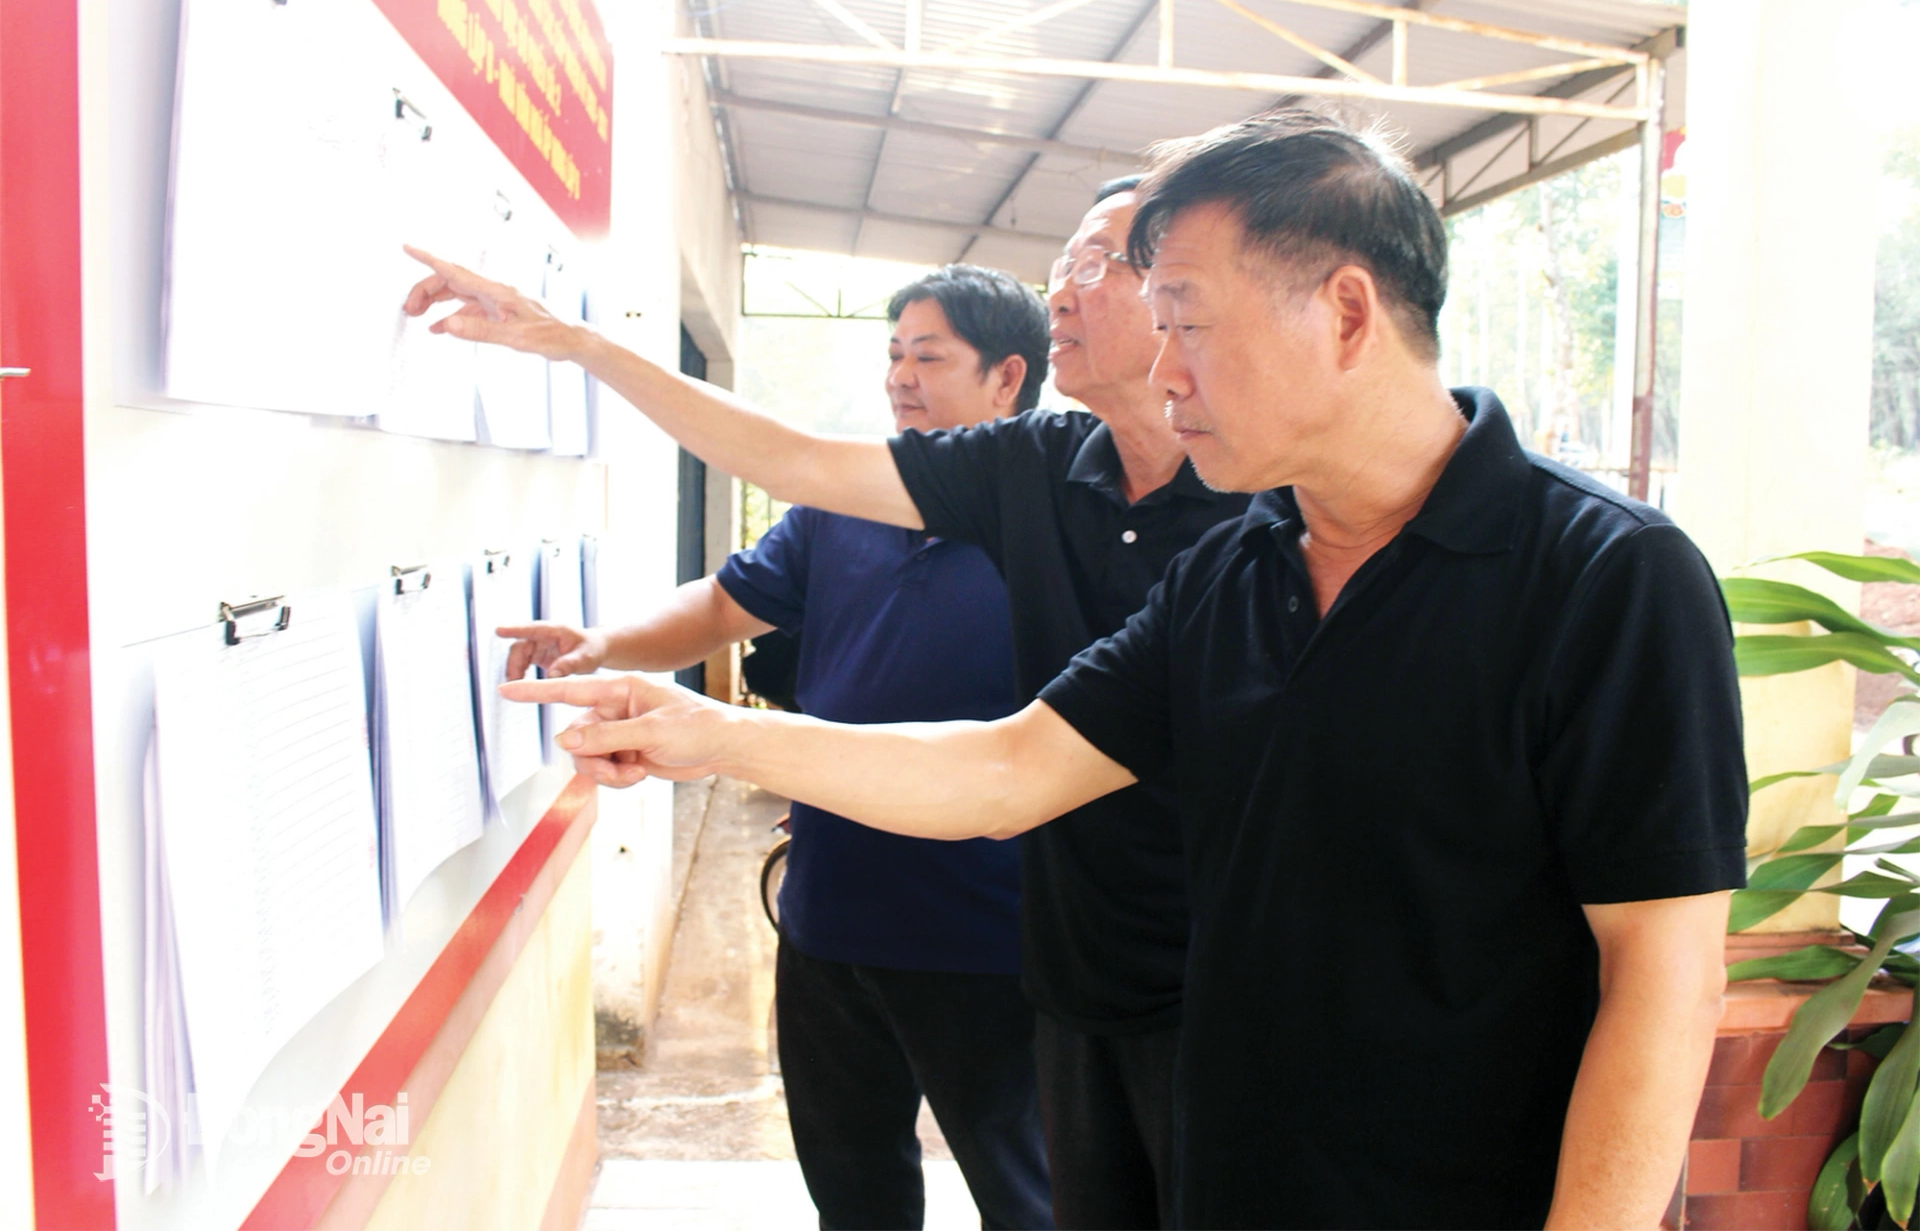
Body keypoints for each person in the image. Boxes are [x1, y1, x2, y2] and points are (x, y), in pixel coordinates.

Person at [499, 112, 1748, 1230]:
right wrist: (709, 732)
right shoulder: (1233, 573)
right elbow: (1008, 766)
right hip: (1229, 1158)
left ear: (1350, 312)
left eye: (1189, 322)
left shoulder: (1605, 578)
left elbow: (1664, 977)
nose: (1162, 372)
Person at [403, 177, 1249, 1227]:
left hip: (1051, 946)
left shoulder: (1264, 515)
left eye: (1099, 265)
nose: (1067, 291)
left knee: (1031, 1190)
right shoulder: (1026, 469)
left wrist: (722, 737)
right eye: (1062, 264)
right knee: (866, 1183)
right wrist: (582, 345)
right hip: (878, 918)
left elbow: (1007, 771)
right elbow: (779, 479)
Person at [498, 266, 1054, 1230]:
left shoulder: (1053, 517)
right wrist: (607, 644)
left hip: (987, 930)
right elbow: (723, 604)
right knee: (852, 1183)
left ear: (1008, 379)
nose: (900, 378)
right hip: (830, 915)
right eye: (892, 355)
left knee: (1029, 1188)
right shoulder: (846, 503)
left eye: (929, 357)